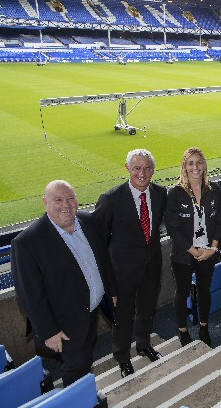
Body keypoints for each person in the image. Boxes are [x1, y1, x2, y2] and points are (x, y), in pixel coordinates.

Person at [11, 180, 116, 387]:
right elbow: (29, 294)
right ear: (45, 202)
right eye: (58, 200)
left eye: (70, 198)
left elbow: (103, 261)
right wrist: (49, 331)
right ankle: (77, 399)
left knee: (85, 356)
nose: (65, 205)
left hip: (91, 312)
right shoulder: (27, 242)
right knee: (77, 369)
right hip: (63, 325)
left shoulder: (89, 221)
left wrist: (111, 291)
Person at [93, 149, 167, 378]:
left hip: (151, 267)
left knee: (146, 311)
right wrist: (109, 284)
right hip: (122, 274)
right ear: (127, 169)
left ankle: (144, 345)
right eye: (137, 168)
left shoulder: (161, 193)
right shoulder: (111, 199)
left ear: (153, 171)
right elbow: (99, 243)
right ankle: (122, 357)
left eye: (147, 168)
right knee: (123, 319)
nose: (142, 173)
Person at [165, 147, 221, 348]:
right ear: (184, 166)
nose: (195, 167)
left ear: (205, 165)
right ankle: (183, 331)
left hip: (208, 252)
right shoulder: (175, 192)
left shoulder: (214, 189)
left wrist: (213, 248)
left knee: (204, 291)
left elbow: (220, 222)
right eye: (190, 163)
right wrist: (192, 250)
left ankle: (204, 327)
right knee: (182, 292)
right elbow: (172, 228)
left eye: (199, 162)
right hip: (184, 253)